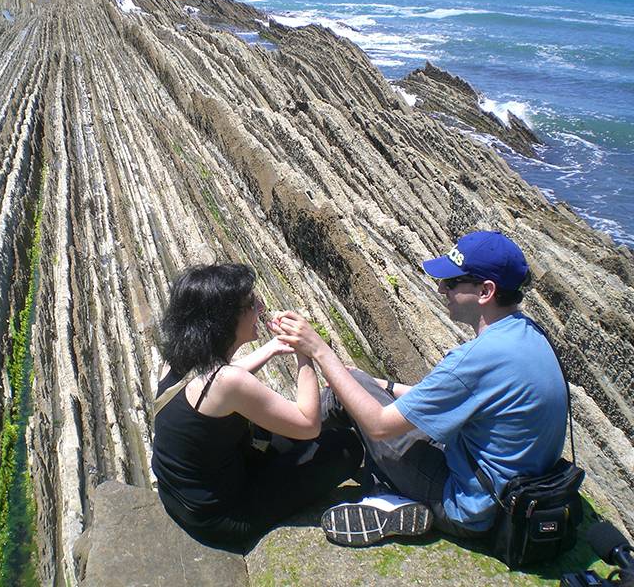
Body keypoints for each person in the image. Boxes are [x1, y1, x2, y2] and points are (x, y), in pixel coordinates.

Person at [272, 231, 567, 546]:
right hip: (510, 494)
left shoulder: (478, 359)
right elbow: (443, 399)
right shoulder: (530, 336)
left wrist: (319, 350)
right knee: (359, 386)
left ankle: (275, 444)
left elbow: (379, 425)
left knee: (352, 391)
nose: (441, 288)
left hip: (469, 507)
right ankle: (382, 490)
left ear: (486, 291)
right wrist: (381, 384)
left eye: (451, 282)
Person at [151, 263, 361, 550]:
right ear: (224, 319)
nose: (260, 308)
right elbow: (308, 425)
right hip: (223, 517)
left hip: (181, 496)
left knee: (282, 430)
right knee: (345, 445)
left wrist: (273, 347)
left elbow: (213, 380)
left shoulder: (177, 360)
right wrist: (305, 353)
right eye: (251, 304)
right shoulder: (228, 382)